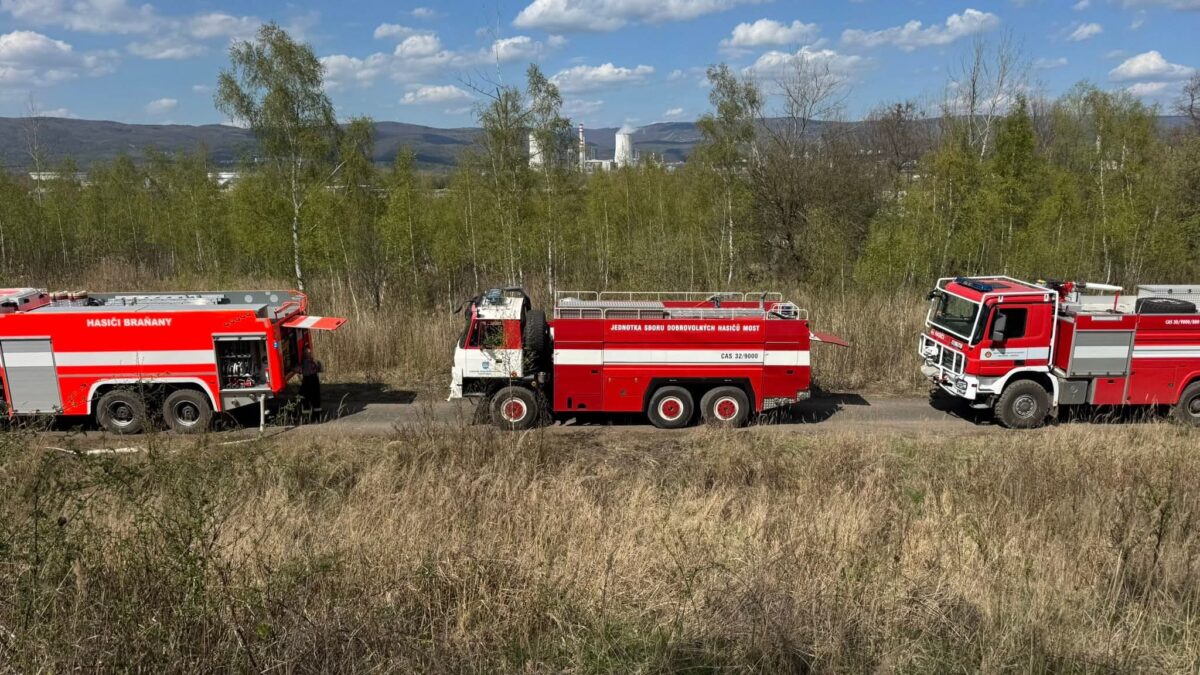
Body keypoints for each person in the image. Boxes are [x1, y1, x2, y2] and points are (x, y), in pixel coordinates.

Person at [299, 345, 324, 415]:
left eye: (309, 353)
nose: (308, 354)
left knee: (315, 397)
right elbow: (298, 369)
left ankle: (316, 414)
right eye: (306, 353)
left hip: (313, 379)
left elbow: (321, 369)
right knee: (306, 397)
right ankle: (308, 415)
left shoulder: (314, 361)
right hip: (307, 380)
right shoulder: (303, 362)